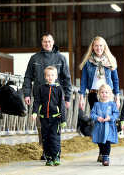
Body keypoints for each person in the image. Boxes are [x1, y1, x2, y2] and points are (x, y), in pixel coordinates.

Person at [23, 32, 72, 160]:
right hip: (40, 99)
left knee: (55, 126)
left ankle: (55, 152)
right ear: (42, 42)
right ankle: (45, 151)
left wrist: (67, 98)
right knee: (41, 126)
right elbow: (28, 77)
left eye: (49, 41)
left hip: (56, 100)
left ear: (53, 42)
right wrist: (26, 93)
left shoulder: (61, 58)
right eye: (45, 41)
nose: (47, 44)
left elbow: (67, 79)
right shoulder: (35, 58)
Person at [78, 36, 121, 162]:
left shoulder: (110, 62)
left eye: (101, 45)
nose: (98, 48)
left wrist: (117, 97)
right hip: (93, 95)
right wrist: (81, 97)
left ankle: (104, 153)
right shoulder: (88, 62)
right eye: (96, 45)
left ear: (104, 47)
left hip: (107, 96)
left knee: (106, 122)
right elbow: (84, 81)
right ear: (93, 47)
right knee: (98, 123)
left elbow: (116, 81)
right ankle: (101, 151)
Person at [32, 66, 66, 166]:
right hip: (44, 118)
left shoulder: (59, 88)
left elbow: (62, 105)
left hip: (56, 117)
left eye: (52, 75)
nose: (50, 77)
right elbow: (37, 101)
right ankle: (49, 158)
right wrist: (34, 113)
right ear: (45, 77)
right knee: (45, 138)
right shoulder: (42, 89)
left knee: (55, 137)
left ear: (56, 76)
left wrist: (63, 120)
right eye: (48, 75)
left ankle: (56, 157)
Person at [90, 84, 119, 166]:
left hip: (108, 126)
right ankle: (103, 154)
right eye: (102, 92)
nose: (104, 94)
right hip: (100, 127)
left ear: (110, 94)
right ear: (99, 93)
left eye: (106, 92)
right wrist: (97, 117)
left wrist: (110, 118)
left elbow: (116, 114)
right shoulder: (96, 104)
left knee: (107, 141)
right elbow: (92, 114)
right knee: (101, 142)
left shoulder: (112, 104)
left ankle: (106, 157)